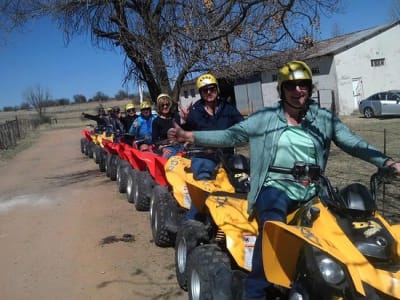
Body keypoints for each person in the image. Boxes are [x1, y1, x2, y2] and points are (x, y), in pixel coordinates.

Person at [167, 60, 400, 300]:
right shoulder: (265, 118)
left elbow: (352, 142)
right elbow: (229, 135)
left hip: (312, 190)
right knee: (273, 231)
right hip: (274, 187)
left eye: (303, 85)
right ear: (282, 89)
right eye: (291, 85)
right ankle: (256, 292)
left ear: (310, 88)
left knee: (340, 227)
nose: (298, 90)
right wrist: (189, 135)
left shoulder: (323, 119)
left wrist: (387, 162)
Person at [183, 72, 243, 180]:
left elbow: (243, 125)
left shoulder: (228, 107)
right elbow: (186, 133)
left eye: (212, 89)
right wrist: (185, 120)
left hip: (227, 154)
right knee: (203, 173)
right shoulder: (194, 111)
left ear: (217, 89)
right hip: (205, 156)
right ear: (200, 92)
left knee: (244, 172)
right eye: (205, 90)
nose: (209, 92)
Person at [152, 93, 184, 158]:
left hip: (180, 144)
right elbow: (154, 140)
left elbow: (184, 130)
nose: (165, 107)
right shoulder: (156, 121)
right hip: (167, 147)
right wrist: (162, 148)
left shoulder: (176, 116)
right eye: (162, 105)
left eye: (167, 104)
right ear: (159, 106)